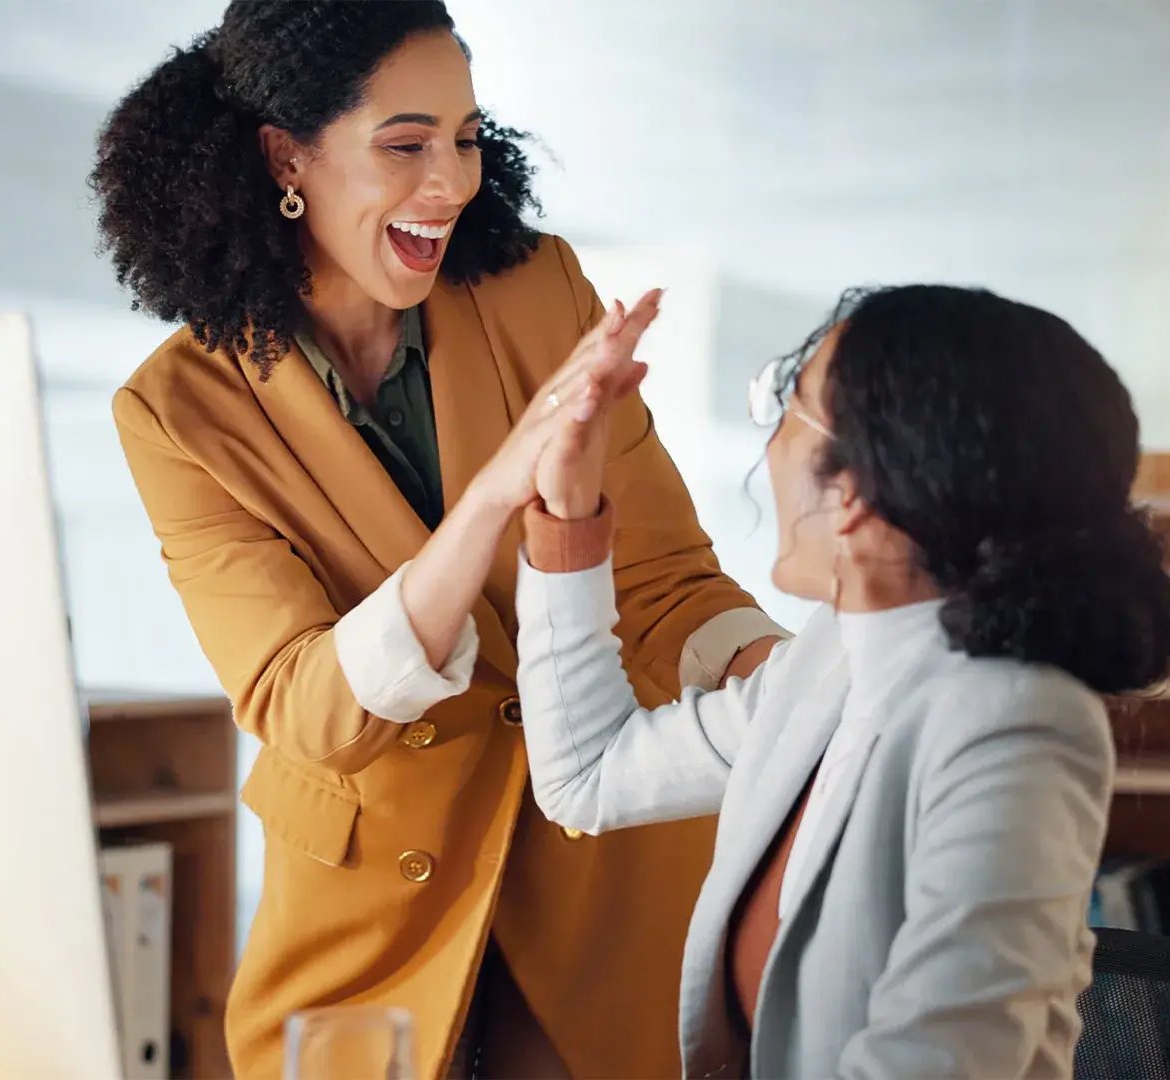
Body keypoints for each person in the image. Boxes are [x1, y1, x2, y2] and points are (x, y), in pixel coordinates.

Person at [93, 2, 784, 1075]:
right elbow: (299, 702)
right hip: (372, 913)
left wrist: (804, 690)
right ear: (288, 158)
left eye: (465, 139)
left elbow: (662, 580)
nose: (452, 183)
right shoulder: (181, 412)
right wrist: (487, 508)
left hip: (603, 875)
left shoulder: (535, 286)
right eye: (406, 145)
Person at [511, 284, 1170, 1077]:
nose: (767, 448)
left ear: (856, 495)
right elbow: (590, 777)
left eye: (787, 408)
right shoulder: (834, 656)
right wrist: (570, 516)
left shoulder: (1018, 725)